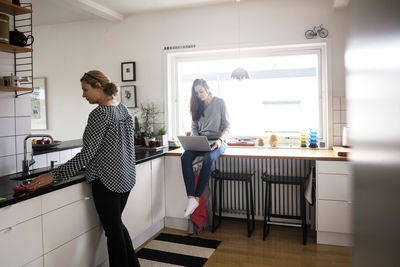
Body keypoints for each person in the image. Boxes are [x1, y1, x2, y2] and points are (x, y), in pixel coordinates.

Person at [26, 70, 140, 267]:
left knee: (113, 232)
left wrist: (54, 175)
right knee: (117, 228)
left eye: (85, 90)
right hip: (126, 178)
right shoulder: (123, 109)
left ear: (98, 86)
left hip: (107, 182)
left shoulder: (100, 114)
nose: (83, 95)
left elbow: (87, 155)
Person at [181, 78, 230, 218]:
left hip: (218, 141)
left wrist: (220, 140)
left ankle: (196, 198)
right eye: (196, 93)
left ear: (207, 89)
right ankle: (191, 197)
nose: (199, 95)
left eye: (201, 91)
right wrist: (197, 141)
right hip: (201, 141)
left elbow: (227, 127)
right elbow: (194, 128)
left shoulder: (220, 102)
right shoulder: (196, 106)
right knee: (185, 157)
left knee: (208, 158)